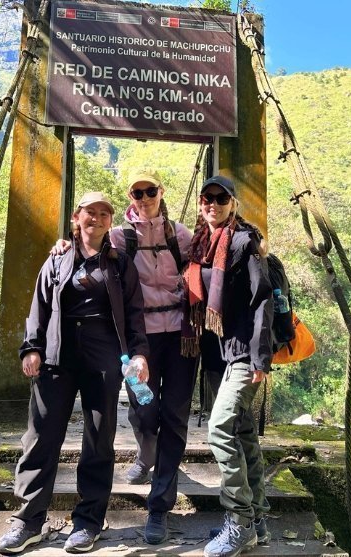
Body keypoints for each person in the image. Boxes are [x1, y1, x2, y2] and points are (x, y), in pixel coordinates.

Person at [0, 192, 150, 555]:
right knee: (40, 437)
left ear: (110, 222)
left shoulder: (119, 263)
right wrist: (31, 348)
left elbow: (134, 313)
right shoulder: (57, 258)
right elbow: (39, 305)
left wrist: (140, 354)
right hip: (56, 355)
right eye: (89, 212)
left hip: (103, 358)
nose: (96, 218)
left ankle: (88, 523)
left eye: (104, 214)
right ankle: (28, 521)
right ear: (76, 218)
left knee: (99, 440)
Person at [52, 170, 196, 544]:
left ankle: (159, 507)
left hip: (181, 337)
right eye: (137, 193)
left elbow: (208, 262)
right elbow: (87, 244)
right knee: (144, 411)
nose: (145, 197)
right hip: (136, 339)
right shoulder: (118, 237)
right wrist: (63, 245)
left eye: (151, 191)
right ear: (130, 197)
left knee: (174, 417)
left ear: (161, 192)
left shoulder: (180, 235)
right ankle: (147, 456)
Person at [181, 175, 272, 557]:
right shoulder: (200, 244)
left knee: (219, 429)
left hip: (245, 354)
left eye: (221, 198)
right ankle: (258, 520)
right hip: (219, 355)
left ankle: (239, 523)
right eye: (208, 198)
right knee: (243, 431)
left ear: (233, 203)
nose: (213, 204)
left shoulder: (243, 243)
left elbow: (262, 300)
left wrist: (261, 357)